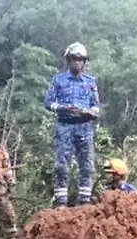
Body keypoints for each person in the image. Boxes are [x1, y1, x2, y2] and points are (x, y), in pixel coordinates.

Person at [44, 42, 100, 207]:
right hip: (65, 125)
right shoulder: (58, 80)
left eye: (80, 59)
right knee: (62, 164)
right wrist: (62, 108)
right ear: (68, 60)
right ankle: (61, 201)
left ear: (84, 62)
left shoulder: (90, 82)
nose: (77, 62)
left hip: (84, 126)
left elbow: (96, 106)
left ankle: (84, 200)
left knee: (87, 165)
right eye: (74, 59)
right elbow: (48, 103)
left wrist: (89, 112)